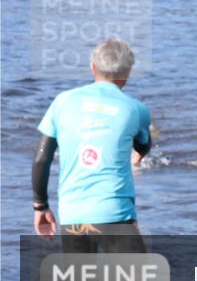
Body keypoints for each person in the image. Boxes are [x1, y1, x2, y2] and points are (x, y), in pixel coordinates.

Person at [33, 39, 152, 253]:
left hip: (73, 215)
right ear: (128, 72)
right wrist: (138, 155)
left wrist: (40, 205)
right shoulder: (136, 109)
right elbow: (143, 145)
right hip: (115, 213)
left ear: (92, 67)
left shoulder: (62, 102)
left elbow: (42, 158)